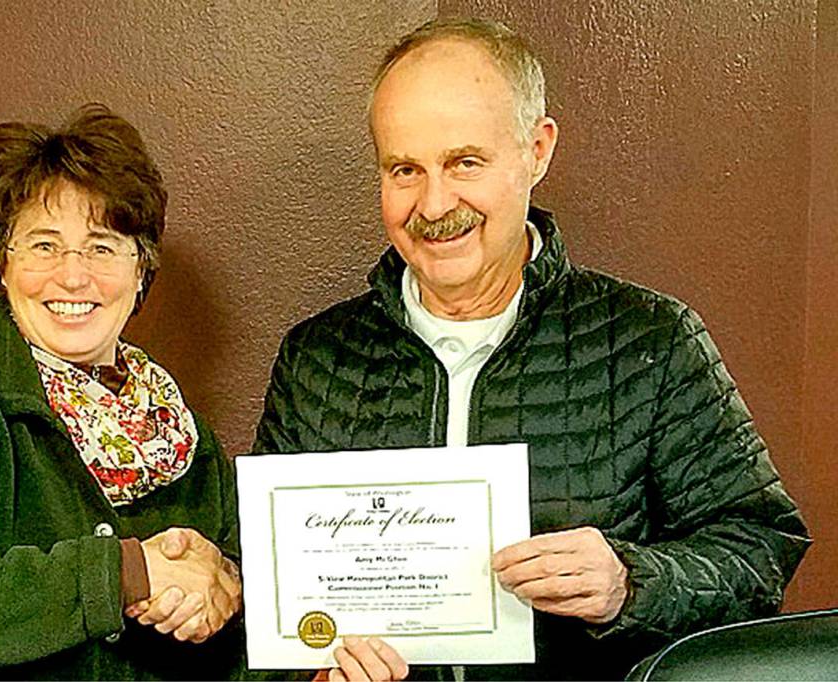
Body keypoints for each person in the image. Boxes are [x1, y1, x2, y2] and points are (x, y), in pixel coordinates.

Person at [253, 18, 811, 680]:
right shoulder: (316, 360)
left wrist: (628, 582)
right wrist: (310, 674)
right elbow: (269, 599)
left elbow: (761, 550)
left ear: (536, 150)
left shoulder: (651, 341)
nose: (434, 203)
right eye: (405, 170)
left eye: (464, 162)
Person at [0, 104, 245, 679]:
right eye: (43, 245)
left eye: (102, 246)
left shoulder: (186, 440)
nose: (73, 275)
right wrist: (124, 573)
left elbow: (239, 646)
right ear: (3, 266)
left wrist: (228, 591)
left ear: (140, 270)